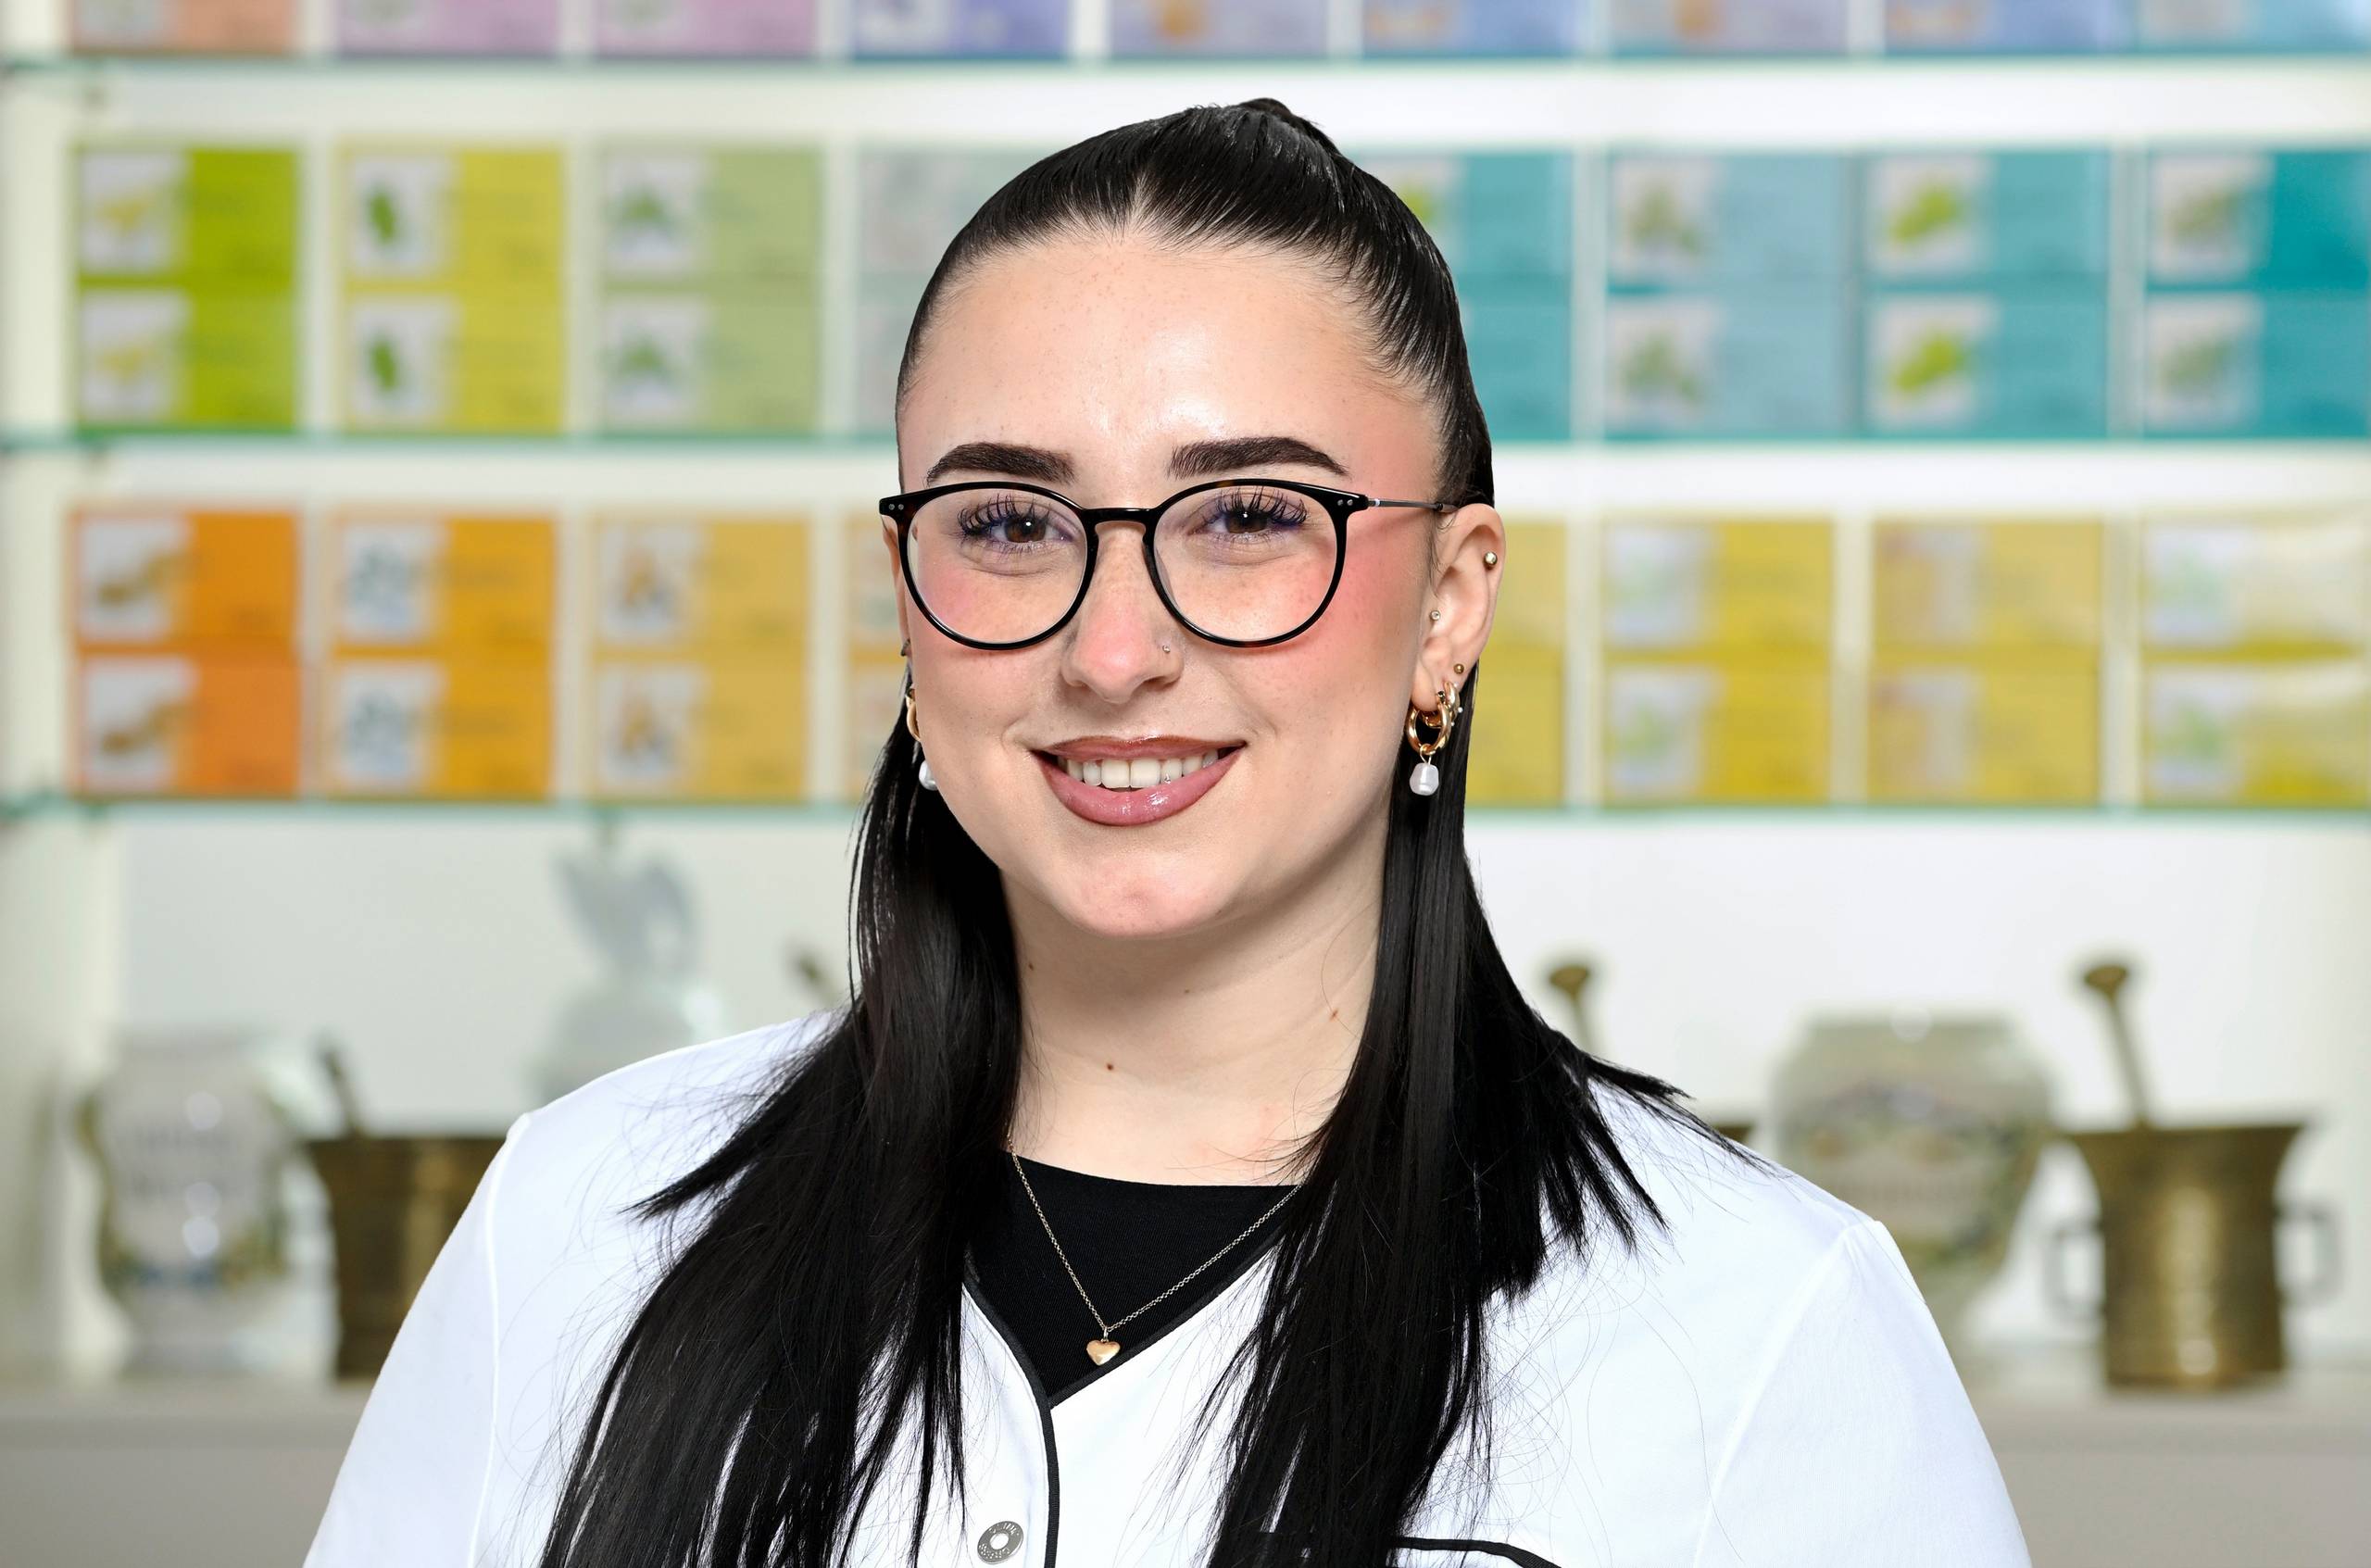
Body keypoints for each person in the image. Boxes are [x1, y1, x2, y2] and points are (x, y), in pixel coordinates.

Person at [305, 99, 2030, 1568]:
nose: (1114, 649)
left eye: (1250, 515)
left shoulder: (1760, 1325)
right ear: (906, 598)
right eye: (1007, 522)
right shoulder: (584, 1226)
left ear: (1448, 605)